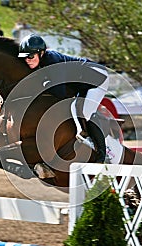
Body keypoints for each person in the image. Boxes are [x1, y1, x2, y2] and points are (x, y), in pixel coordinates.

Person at [17, 33, 109, 163]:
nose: (28, 60)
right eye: (25, 57)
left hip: (98, 78)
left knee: (85, 112)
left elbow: (60, 93)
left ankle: (102, 154)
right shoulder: (41, 63)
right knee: (76, 107)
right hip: (83, 83)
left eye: (31, 56)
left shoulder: (52, 62)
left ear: (41, 53)